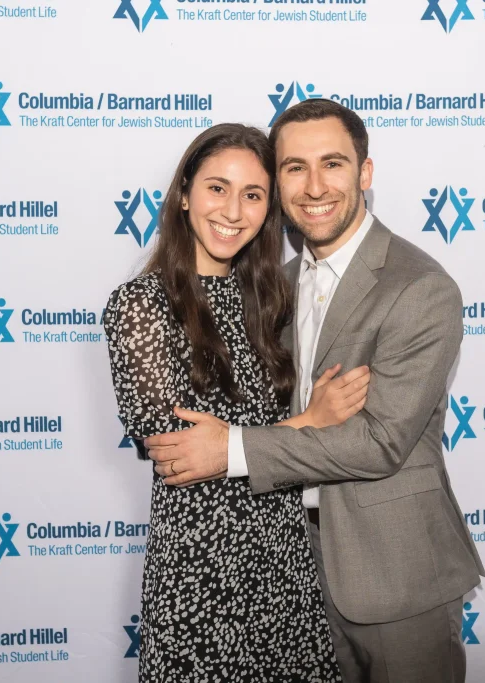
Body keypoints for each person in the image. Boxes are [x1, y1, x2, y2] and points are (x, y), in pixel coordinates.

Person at [143, 100, 485, 683]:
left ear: (365, 174)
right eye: (294, 167)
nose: (315, 185)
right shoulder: (277, 285)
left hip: (394, 574)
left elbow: (379, 443)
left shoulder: (420, 287)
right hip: (293, 577)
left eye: (333, 163)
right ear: (278, 183)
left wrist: (230, 450)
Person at [103, 123, 370, 682]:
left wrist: (243, 441)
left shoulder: (270, 299)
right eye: (216, 188)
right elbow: (174, 449)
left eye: (253, 195)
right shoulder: (142, 305)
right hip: (202, 572)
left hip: (284, 561)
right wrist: (311, 421)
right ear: (184, 194)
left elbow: (225, 446)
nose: (233, 210)